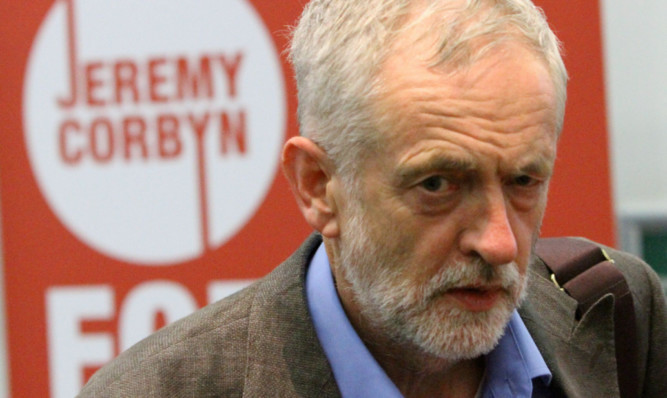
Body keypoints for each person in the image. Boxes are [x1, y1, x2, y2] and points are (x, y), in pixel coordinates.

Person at [78, 0, 667, 397]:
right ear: (317, 185)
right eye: (437, 184)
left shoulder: (620, 316)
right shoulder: (162, 388)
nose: (499, 241)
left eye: (523, 181)